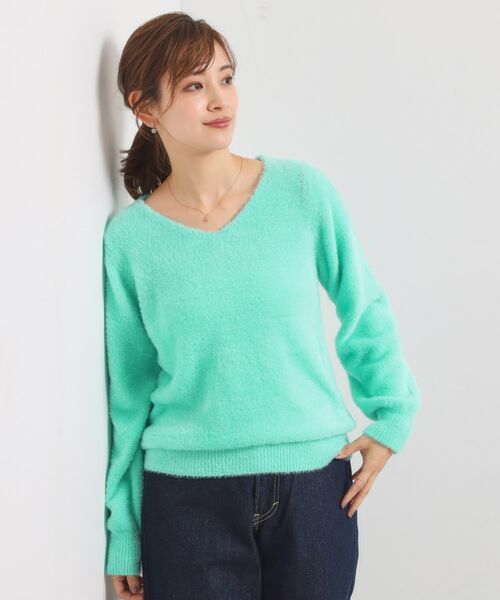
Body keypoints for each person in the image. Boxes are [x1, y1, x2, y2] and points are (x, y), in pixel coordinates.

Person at [102, 11, 421, 600]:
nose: (219, 99)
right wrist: (124, 530)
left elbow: (364, 306)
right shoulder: (130, 241)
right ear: (145, 108)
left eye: (226, 78)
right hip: (186, 498)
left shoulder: (301, 193)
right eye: (194, 85)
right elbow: (128, 393)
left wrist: (392, 416)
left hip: (314, 491)